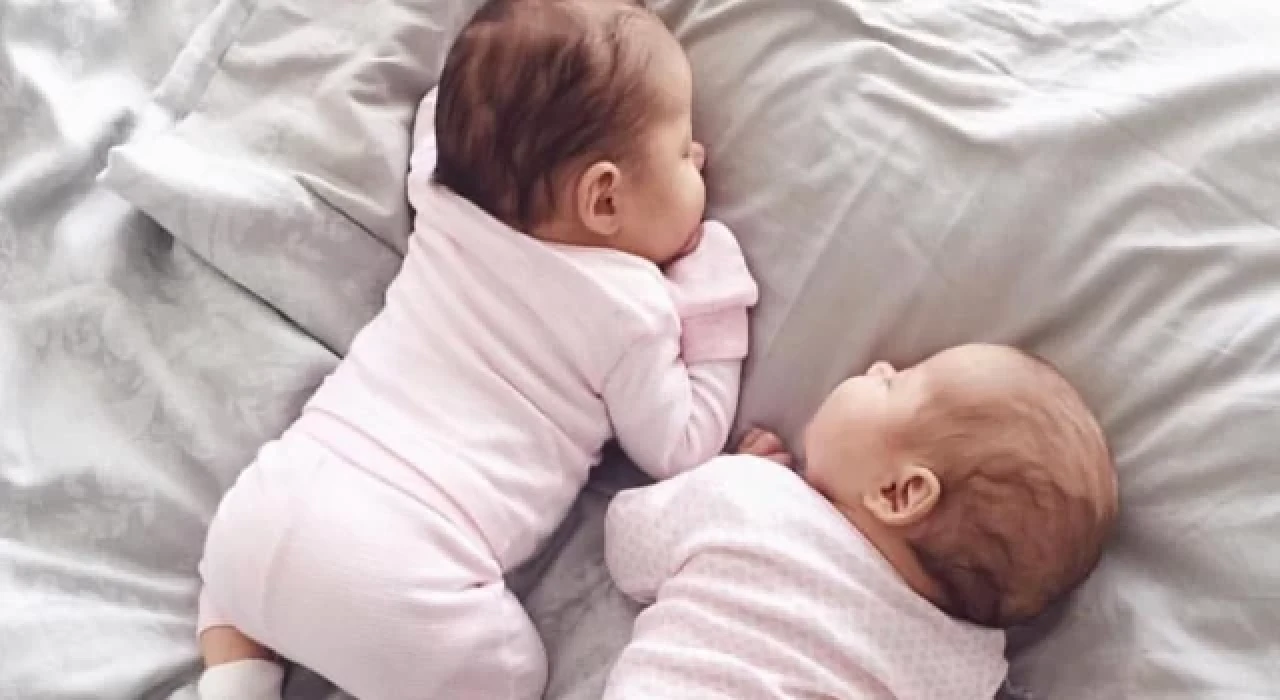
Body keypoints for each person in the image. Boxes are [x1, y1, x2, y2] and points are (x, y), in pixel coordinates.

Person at [194, 2, 758, 699]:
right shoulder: (629, 314)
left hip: (264, 509)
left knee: (239, 584)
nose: (701, 160)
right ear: (605, 200)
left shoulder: (443, 196)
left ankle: (235, 678)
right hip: (402, 576)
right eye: (682, 152)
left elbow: (445, 110)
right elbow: (682, 446)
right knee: (513, 675)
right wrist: (712, 292)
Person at [603, 344, 1120, 699]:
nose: (878, 366)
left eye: (893, 384)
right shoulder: (967, 670)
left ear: (898, 493)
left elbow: (627, 546)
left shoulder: (751, 495)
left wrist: (725, 475)